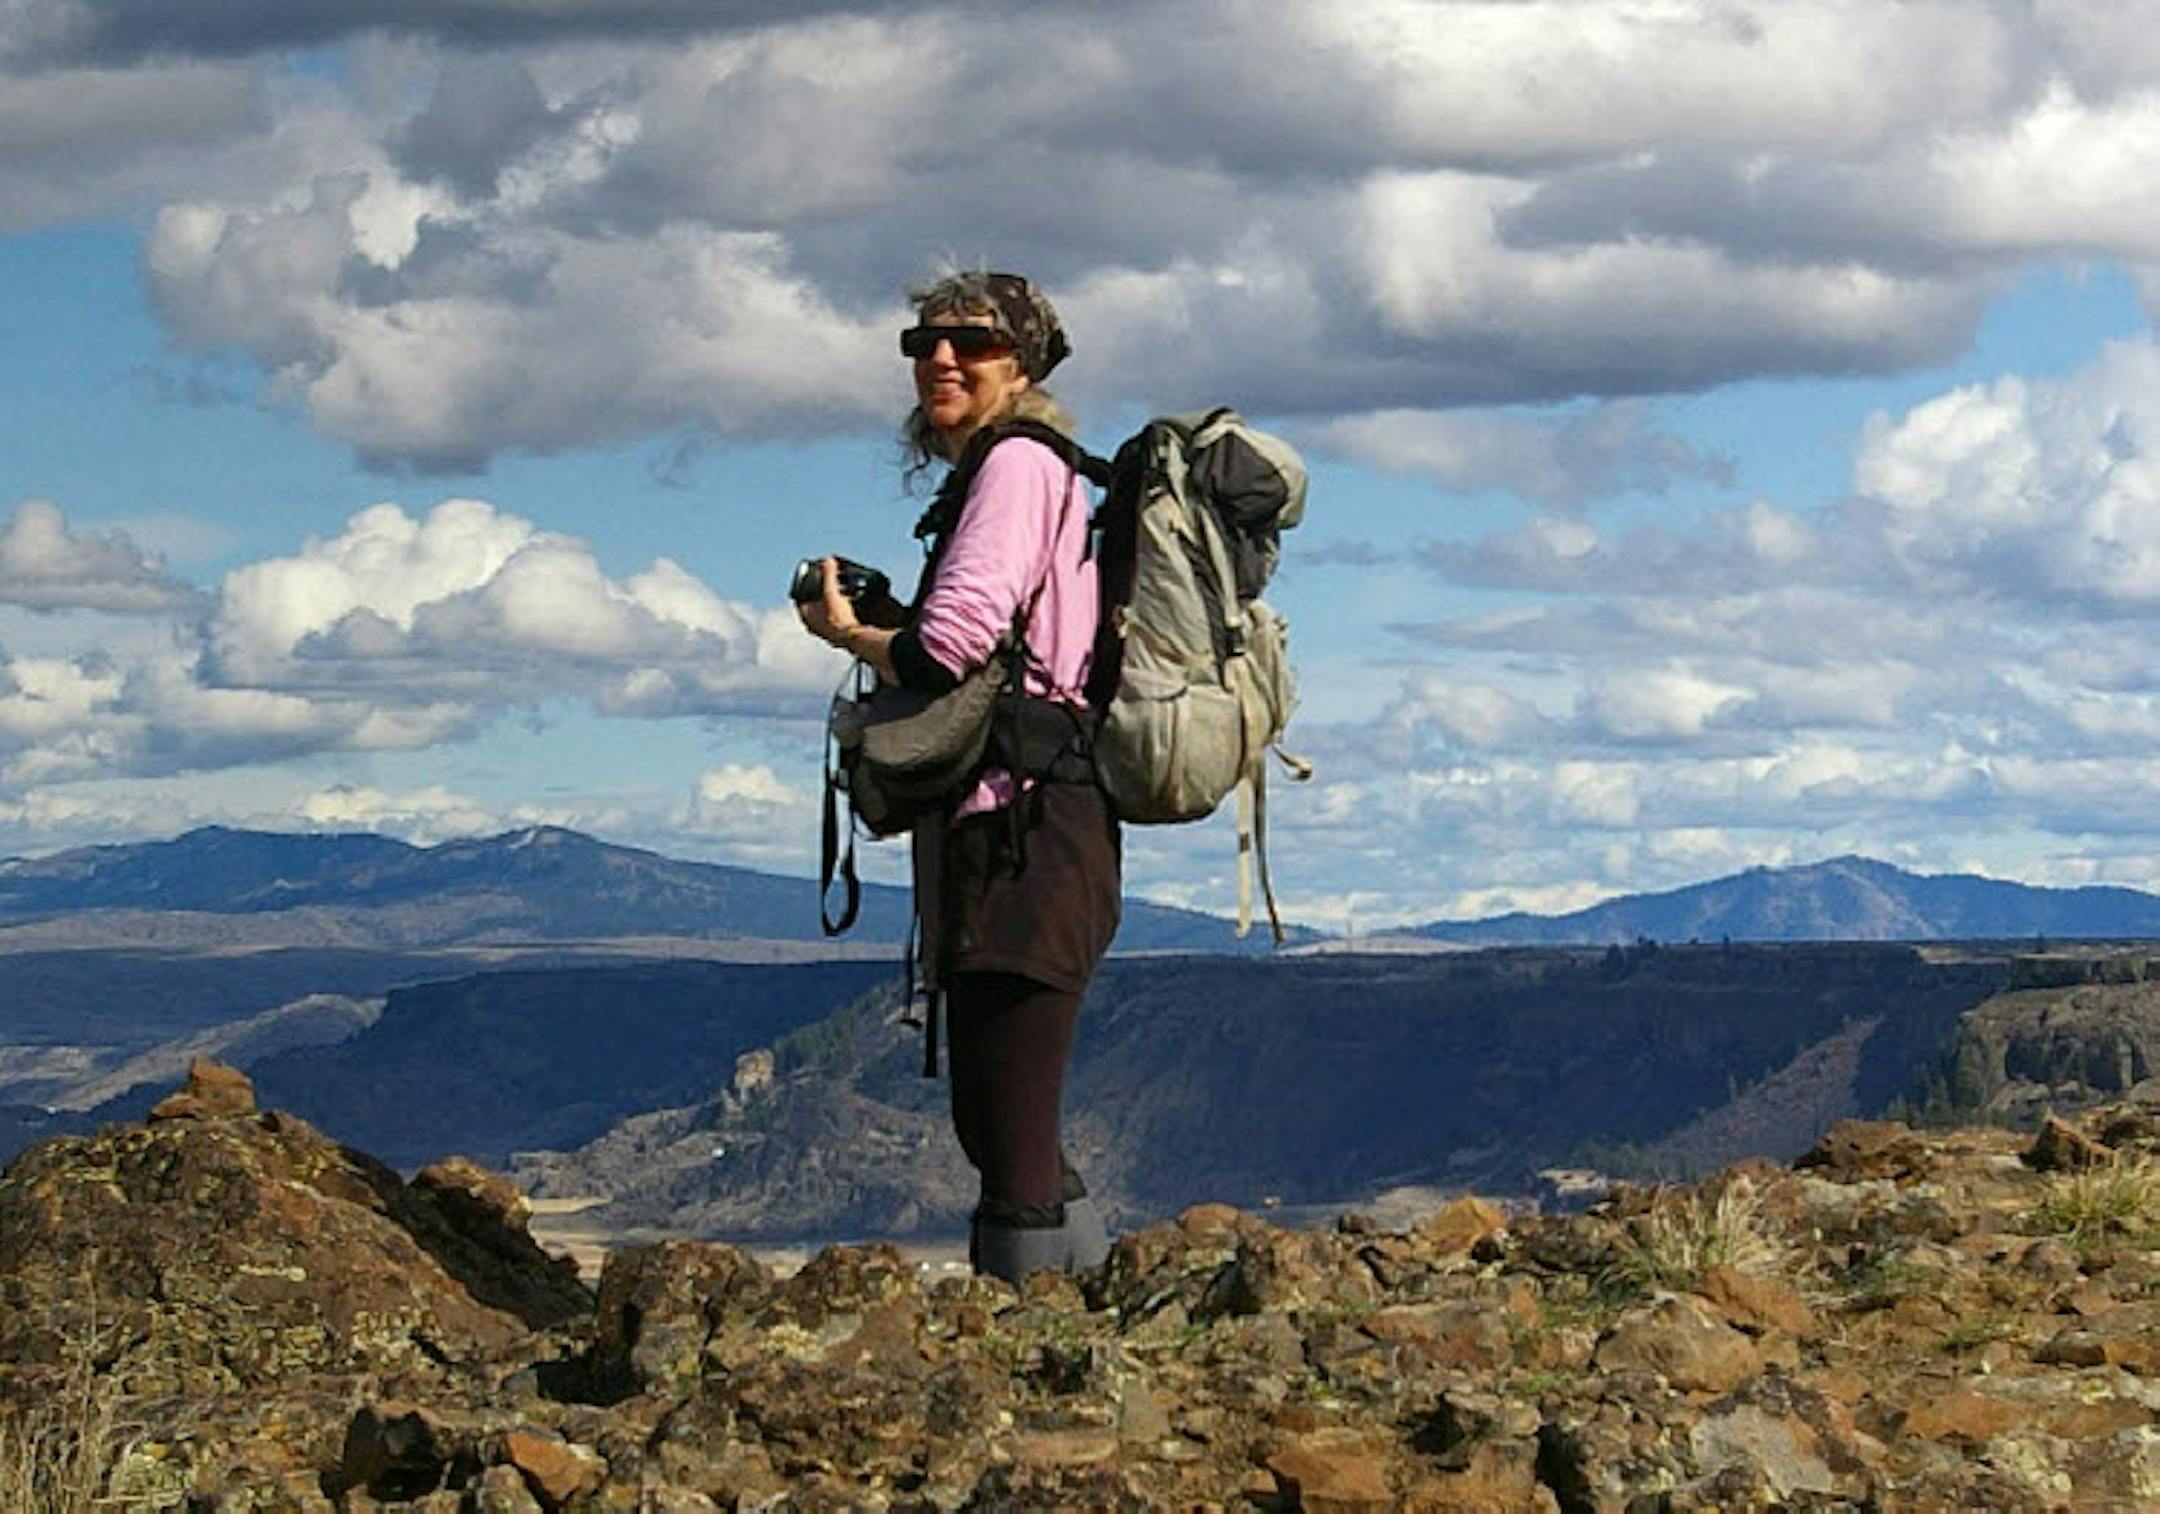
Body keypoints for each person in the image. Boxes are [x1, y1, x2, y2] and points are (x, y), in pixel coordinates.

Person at [797, 270, 1119, 1282]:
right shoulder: (1023, 471)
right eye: (924, 343)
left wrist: (851, 631)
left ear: (1019, 361)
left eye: (971, 341)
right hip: (1026, 827)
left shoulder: (1018, 465)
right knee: (998, 1114)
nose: (941, 357)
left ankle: (1033, 1367)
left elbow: (945, 651)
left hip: (1028, 830)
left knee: (1009, 1122)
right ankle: (1087, 1321)